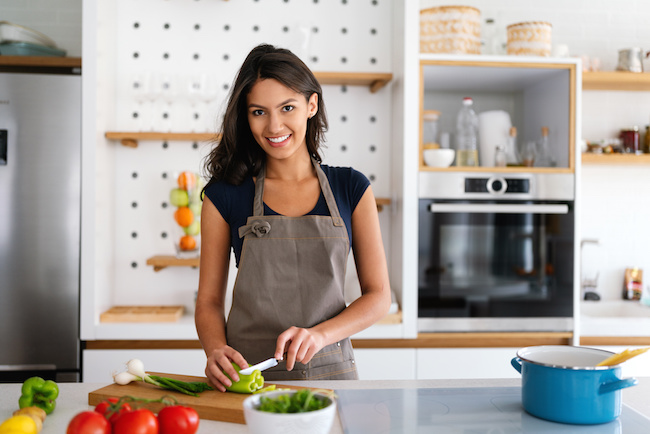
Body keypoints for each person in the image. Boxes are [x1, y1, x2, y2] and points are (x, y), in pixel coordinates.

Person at [195, 43, 391, 392]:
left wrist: (319, 335)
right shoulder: (224, 195)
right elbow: (209, 301)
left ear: (311, 105)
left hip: (332, 375)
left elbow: (378, 296)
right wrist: (215, 350)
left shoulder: (352, 187)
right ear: (245, 115)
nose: (274, 126)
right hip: (248, 378)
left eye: (287, 107)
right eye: (258, 112)